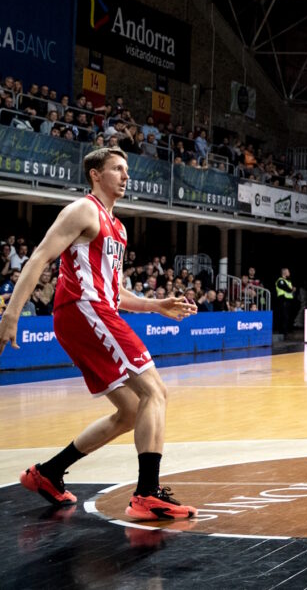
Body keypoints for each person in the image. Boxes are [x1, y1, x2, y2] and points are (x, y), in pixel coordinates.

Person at [0, 147, 198, 519]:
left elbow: (114, 291)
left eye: (126, 170)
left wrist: (155, 305)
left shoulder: (118, 228)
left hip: (92, 310)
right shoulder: (83, 210)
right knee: (155, 391)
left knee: (132, 410)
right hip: (83, 309)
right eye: (117, 169)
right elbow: (40, 256)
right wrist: (12, 314)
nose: (126, 176)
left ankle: (48, 472)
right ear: (95, 174)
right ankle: (146, 494)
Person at [274, 267, 296, 334]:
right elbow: (287, 288)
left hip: (289, 299)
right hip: (283, 299)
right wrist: (292, 289)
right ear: (284, 273)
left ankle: (288, 329)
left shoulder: (288, 281)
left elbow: (292, 289)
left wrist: (292, 289)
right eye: (288, 272)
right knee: (284, 315)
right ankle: (282, 331)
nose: (289, 273)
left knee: (288, 315)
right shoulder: (280, 280)